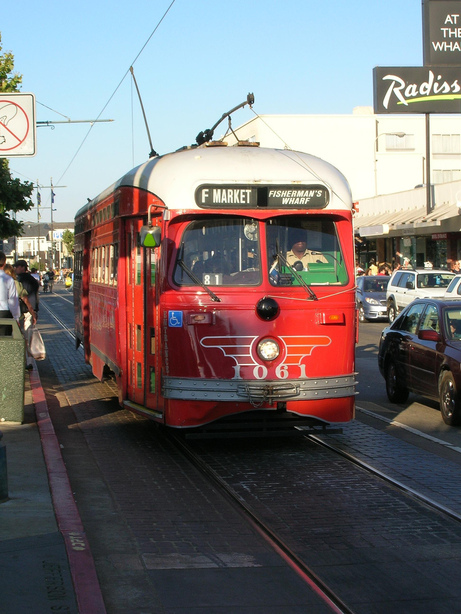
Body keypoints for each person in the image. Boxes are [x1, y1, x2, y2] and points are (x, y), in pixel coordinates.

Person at [14, 260, 39, 335]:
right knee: (27, 332)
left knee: (22, 332)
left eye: (16, 267)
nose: (15, 269)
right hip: (30, 309)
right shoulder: (32, 279)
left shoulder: (18, 280)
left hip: (23, 309)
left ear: (22, 268)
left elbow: (24, 296)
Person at [0, 251, 20, 336]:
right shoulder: (8, 279)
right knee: (4, 342)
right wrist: (16, 318)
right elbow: (13, 301)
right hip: (4, 313)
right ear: (4, 263)